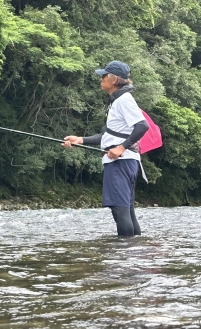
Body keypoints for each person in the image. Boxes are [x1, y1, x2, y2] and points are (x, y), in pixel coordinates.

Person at [62, 61, 149, 237]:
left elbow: (142, 126)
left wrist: (121, 148)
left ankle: (123, 257)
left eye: (104, 76)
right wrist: (81, 140)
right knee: (127, 211)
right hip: (124, 162)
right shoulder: (117, 101)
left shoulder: (124, 100)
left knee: (120, 210)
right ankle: (134, 252)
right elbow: (108, 136)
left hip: (121, 163)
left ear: (114, 79)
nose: (101, 79)